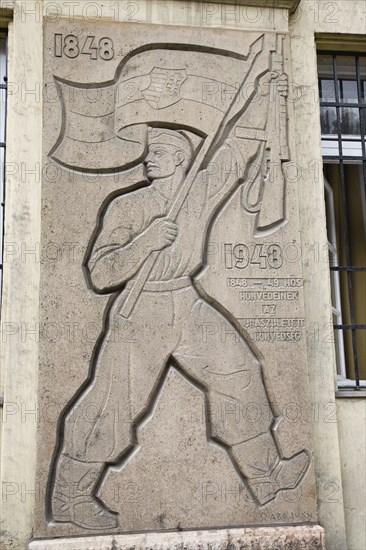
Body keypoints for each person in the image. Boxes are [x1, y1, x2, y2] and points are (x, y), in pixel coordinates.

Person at [50, 74, 309, 531]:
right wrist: (145, 242)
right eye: (151, 152)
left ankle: (266, 477)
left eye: (162, 152)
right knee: (114, 403)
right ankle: (71, 497)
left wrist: (265, 96)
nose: (151, 158)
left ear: (183, 160)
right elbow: (100, 272)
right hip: (141, 308)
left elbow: (235, 148)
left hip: (185, 302)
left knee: (238, 370)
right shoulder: (128, 207)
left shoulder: (197, 194)